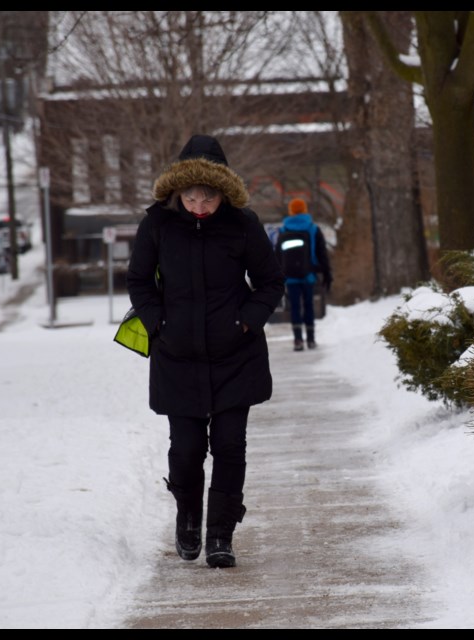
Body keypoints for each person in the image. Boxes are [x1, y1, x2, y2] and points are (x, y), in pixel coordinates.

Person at [126, 134, 285, 568]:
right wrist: (158, 322)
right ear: (178, 191)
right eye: (191, 195)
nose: (199, 205)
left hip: (237, 355)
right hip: (177, 356)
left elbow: (271, 283)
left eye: (209, 196)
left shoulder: (243, 224)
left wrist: (246, 320)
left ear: (223, 193)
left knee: (230, 445)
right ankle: (188, 519)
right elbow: (138, 281)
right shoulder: (156, 225)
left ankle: (221, 534)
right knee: (187, 448)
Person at [275, 197, 332, 351]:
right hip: (309, 275)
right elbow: (322, 254)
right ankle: (311, 339)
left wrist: (277, 276)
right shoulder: (313, 229)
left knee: (294, 307)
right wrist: (327, 273)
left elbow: (277, 255)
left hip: (290, 276)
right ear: (305, 210)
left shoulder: (284, 230)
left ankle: (298, 340)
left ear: (291, 211)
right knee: (308, 306)